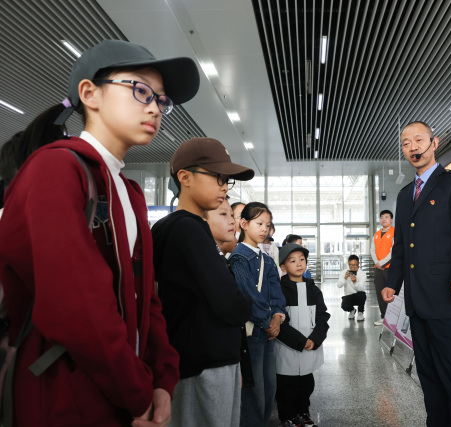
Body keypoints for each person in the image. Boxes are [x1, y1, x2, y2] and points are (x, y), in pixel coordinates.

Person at [0, 39, 200, 426]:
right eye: (140, 90)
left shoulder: (128, 191)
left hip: (121, 395)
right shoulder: (56, 170)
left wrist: (162, 378)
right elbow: (75, 307)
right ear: (90, 93)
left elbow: (146, 299)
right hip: (64, 400)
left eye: (161, 100)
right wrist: (137, 393)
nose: (154, 108)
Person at [381, 121, 451, 427]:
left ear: (433, 143)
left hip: (448, 299)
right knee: (429, 377)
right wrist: (392, 283)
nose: (412, 147)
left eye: (418, 140)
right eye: (406, 143)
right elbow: (401, 246)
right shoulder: (404, 195)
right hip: (417, 302)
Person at [152, 137, 254, 427]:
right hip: (203, 364)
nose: (224, 186)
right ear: (185, 177)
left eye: (226, 180)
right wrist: (244, 302)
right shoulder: (189, 229)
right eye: (217, 177)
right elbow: (231, 305)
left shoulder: (172, 227)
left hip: (195, 359)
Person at [229, 202, 287, 427]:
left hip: (268, 333)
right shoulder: (239, 258)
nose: (264, 229)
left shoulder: (267, 259)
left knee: (269, 388)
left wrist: (277, 318)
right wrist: (267, 321)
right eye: (259, 223)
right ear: (244, 224)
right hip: (252, 333)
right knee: (254, 392)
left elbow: (276, 292)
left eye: (267, 225)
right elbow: (248, 296)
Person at [275, 244, 330, 427]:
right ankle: (288, 416)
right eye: (292, 261)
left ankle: (303, 412)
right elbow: (280, 323)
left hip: (310, 345)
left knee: (306, 383)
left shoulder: (313, 289)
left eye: (302, 259)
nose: (299, 264)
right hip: (287, 347)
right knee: (286, 384)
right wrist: (300, 341)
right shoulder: (279, 290)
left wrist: (315, 339)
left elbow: (322, 317)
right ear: (283, 267)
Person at [371, 210, 395, 326]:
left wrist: (381, 263)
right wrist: (377, 263)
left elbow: (393, 251)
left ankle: (393, 318)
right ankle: (384, 317)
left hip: (390, 269)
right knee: (380, 293)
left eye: (386, 217)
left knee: (391, 293)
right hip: (378, 269)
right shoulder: (376, 234)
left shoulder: (395, 232)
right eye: (381, 217)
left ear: (391, 219)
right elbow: (372, 250)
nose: (383, 219)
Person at [336, 255, 367, 321]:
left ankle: (360, 312)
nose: (353, 267)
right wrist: (345, 278)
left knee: (362, 294)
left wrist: (355, 282)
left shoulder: (362, 274)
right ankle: (352, 310)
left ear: (358, 264)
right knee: (344, 306)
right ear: (348, 264)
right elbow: (339, 285)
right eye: (351, 265)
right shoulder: (343, 272)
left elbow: (361, 289)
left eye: (355, 265)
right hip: (348, 295)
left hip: (359, 295)